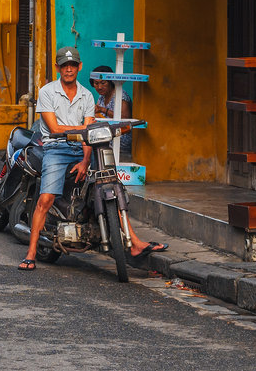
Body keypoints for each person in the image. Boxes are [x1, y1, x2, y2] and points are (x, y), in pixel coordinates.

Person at [20, 47, 165, 271]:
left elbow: (88, 136)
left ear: (79, 67)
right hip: (56, 148)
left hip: (82, 148)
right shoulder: (47, 92)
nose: (69, 69)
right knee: (46, 199)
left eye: (72, 65)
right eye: (64, 66)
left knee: (111, 184)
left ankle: (135, 243)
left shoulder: (87, 95)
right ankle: (31, 253)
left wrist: (86, 161)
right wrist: (85, 128)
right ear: (58, 68)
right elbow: (56, 128)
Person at [91, 65, 132, 159]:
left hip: (120, 139)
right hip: (107, 137)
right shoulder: (102, 97)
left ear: (110, 82)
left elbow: (125, 118)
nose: (99, 87)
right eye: (96, 83)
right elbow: (97, 114)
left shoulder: (121, 95)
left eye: (103, 83)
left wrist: (103, 110)